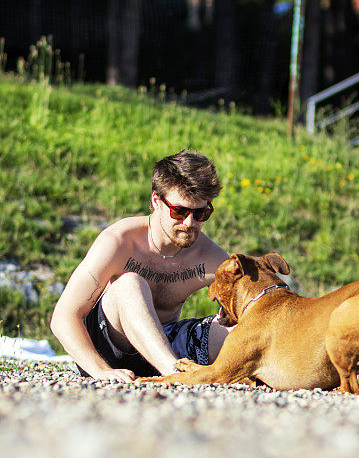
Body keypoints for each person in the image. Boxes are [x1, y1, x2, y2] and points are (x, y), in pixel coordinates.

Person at [51, 151, 230, 383]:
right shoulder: (119, 241)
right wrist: (99, 370)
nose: (189, 222)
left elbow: (257, 301)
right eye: (180, 211)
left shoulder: (210, 256)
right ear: (156, 201)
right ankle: (175, 375)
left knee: (235, 326)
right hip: (110, 350)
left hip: (166, 344)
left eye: (200, 213)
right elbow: (63, 316)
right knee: (129, 283)